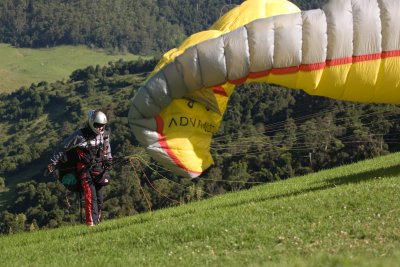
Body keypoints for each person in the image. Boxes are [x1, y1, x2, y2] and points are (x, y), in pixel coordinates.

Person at [48, 110, 112, 226]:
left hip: (98, 167)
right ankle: (91, 224)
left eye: (103, 126)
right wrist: (53, 162)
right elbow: (62, 146)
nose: (100, 128)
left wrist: (109, 160)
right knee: (90, 196)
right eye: (98, 126)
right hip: (84, 169)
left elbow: (107, 149)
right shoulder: (80, 135)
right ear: (92, 123)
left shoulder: (104, 135)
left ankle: (97, 222)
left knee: (99, 198)